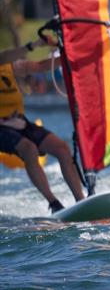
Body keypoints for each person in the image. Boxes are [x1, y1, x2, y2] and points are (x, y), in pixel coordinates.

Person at [0, 36, 85, 213]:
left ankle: (81, 201)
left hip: (20, 122)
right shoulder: (4, 59)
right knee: (29, 148)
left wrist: (67, 54)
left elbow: (41, 66)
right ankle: (53, 203)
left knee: (62, 148)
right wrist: (34, 44)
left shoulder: (9, 67)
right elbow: (6, 55)